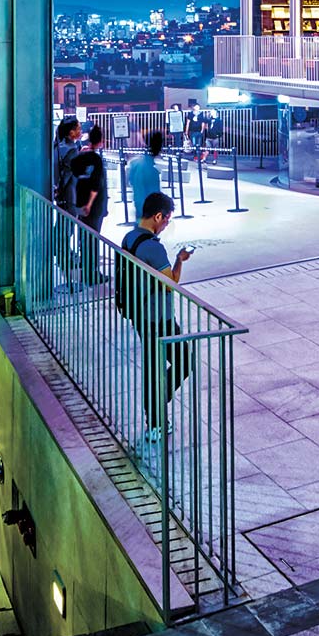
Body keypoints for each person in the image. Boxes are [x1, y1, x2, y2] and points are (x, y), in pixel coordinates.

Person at [117, 191, 192, 459]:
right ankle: (158, 412)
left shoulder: (129, 238)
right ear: (158, 216)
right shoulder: (153, 247)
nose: (166, 225)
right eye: (167, 219)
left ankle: (156, 419)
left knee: (153, 364)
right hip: (158, 316)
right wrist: (180, 260)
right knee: (184, 361)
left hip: (139, 313)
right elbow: (170, 283)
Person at [72, 124, 109, 280]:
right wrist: (90, 204)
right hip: (93, 206)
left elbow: (75, 178)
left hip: (79, 203)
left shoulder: (79, 156)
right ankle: (92, 273)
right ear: (100, 141)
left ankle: (84, 263)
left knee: (83, 235)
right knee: (93, 238)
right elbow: (96, 184)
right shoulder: (97, 159)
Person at [127, 129, 164, 218]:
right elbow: (154, 194)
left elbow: (131, 182)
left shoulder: (135, 163)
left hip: (140, 209)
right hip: (148, 213)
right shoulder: (151, 170)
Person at [53, 117, 82, 209]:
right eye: (78, 129)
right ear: (71, 132)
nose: (80, 132)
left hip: (62, 195)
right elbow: (67, 173)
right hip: (70, 195)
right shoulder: (72, 150)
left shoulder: (58, 146)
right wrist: (59, 190)